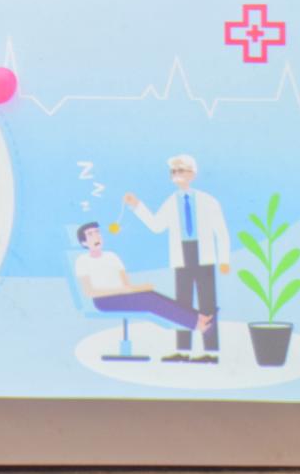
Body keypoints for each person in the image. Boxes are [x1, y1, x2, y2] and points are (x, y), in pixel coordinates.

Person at [124, 154, 229, 361]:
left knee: (208, 303)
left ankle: (211, 352)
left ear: (192, 174)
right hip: (182, 254)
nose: (176, 175)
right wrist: (137, 206)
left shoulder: (208, 201)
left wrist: (224, 259)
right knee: (182, 305)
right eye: (173, 171)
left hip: (204, 254)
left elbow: (221, 231)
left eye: (180, 170)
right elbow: (156, 226)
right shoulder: (171, 202)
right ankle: (183, 350)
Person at [75, 222, 214, 348]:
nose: (96, 236)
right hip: (104, 301)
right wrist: (122, 290)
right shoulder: (82, 261)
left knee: (151, 295)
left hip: (122, 295)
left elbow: (126, 284)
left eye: (97, 232)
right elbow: (89, 292)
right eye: (90, 234)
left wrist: (132, 289)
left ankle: (199, 317)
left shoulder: (112, 256)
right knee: (149, 300)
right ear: (84, 242)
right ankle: (197, 325)